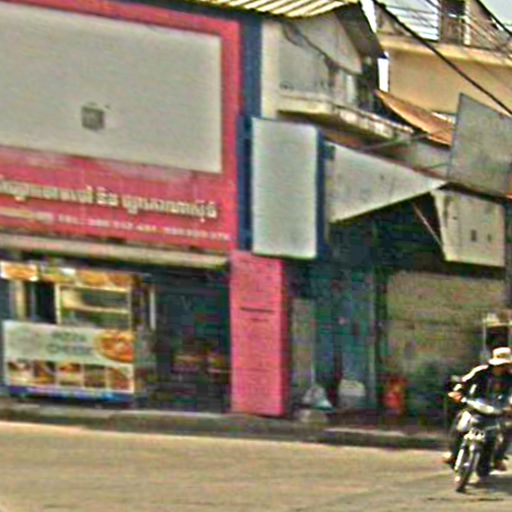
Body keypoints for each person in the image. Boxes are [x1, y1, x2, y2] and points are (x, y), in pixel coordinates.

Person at [442, 346, 512, 471]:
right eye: (500, 365)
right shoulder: (480, 372)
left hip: (499, 407)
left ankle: (498, 459)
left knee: (508, 428)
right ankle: (452, 452)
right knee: (460, 419)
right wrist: (458, 392)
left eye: (505, 365)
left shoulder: (510, 377)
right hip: (477, 403)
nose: (502, 368)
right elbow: (464, 381)